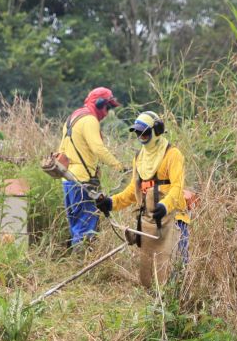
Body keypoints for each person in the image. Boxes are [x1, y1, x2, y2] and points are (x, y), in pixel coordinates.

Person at [95, 111, 190, 289]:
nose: (141, 136)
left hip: (173, 219)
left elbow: (178, 187)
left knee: (177, 268)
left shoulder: (173, 154)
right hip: (149, 222)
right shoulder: (139, 158)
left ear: (157, 130)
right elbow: (133, 191)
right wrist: (111, 202)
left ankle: (179, 308)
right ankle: (155, 305)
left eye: (145, 132)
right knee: (150, 274)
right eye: (138, 133)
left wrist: (165, 205)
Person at [55, 87, 123, 247]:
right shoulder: (90, 120)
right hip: (83, 182)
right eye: (108, 107)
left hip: (68, 180)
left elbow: (61, 151)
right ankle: (84, 265)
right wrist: (119, 166)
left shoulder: (73, 117)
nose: (107, 113)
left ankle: (78, 264)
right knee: (86, 230)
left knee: (77, 228)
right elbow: (98, 148)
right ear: (99, 103)